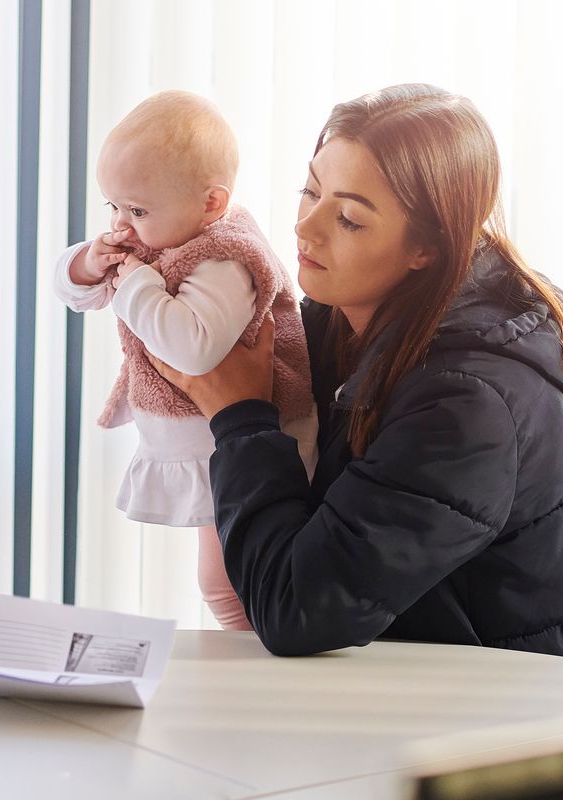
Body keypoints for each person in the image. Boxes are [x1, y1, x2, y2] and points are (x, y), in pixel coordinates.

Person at [157, 83, 563, 656]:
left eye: (348, 218)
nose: (305, 227)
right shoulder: (335, 320)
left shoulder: (467, 406)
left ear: (428, 246)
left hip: (473, 726)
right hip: (386, 688)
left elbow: (295, 609)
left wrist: (241, 418)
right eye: (310, 191)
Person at [53, 90, 317, 630]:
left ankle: (261, 678)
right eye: (113, 206)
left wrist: (134, 285)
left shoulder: (225, 258)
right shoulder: (161, 237)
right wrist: (85, 263)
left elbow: (193, 348)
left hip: (242, 443)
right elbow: (78, 294)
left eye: (138, 209)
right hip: (213, 444)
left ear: (211, 204)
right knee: (222, 587)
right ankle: (251, 673)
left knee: (232, 587)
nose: (121, 226)